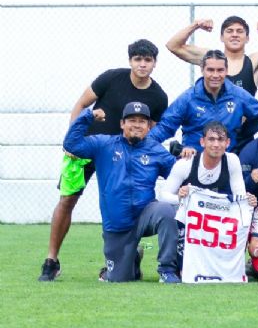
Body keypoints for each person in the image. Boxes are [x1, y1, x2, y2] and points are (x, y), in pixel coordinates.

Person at [39, 40, 169, 282]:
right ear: (130, 60)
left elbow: (156, 128)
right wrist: (73, 140)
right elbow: (81, 104)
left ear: (154, 63)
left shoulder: (158, 96)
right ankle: (51, 260)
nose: (142, 64)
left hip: (124, 157)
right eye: (137, 59)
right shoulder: (111, 78)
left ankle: (124, 258)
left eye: (147, 60)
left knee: (124, 203)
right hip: (91, 148)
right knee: (67, 200)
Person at [63, 102, 179, 283]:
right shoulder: (104, 144)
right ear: (122, 124)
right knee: (119, 279)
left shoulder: (156, 150)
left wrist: (183, 158)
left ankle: (167, 270)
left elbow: (179, 175)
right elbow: (71, 144)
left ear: (149, 126)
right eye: (132, 120)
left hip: (146, 214)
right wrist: (88, 116)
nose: (137, 125)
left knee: (166, 210)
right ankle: (132, 260)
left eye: (142, 121)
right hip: (117, 223)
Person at [151, 50, 258, 152]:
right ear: (202, 70)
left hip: (227, 158)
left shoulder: (238, 95)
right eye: (210, 70)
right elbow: (165, 127)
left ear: (226, 71)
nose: (215, 75)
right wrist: (144, 144)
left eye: (220, 70)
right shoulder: (188, 98)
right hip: (194, 158)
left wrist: (243, 133)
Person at [166, 16, 258, 97]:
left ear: (247, 38)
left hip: (243, 135)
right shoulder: (210, 59)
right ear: (221, 37)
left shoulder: (254, 61)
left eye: (240, 31)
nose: (234, 34)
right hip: (215, 135)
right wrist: (195, 25)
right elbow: (173, 46)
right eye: (229, 31)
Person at [156, 121, 249, 205]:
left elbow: (240, 197)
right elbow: (163, 196)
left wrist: (248, 199)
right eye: (211, 139)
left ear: (227, 143)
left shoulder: (232, 160)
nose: (216, 144)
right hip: (188, 217)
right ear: (202, 142)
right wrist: (180, 198)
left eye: (220, 139)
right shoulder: (186, 163)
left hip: (218, 214)